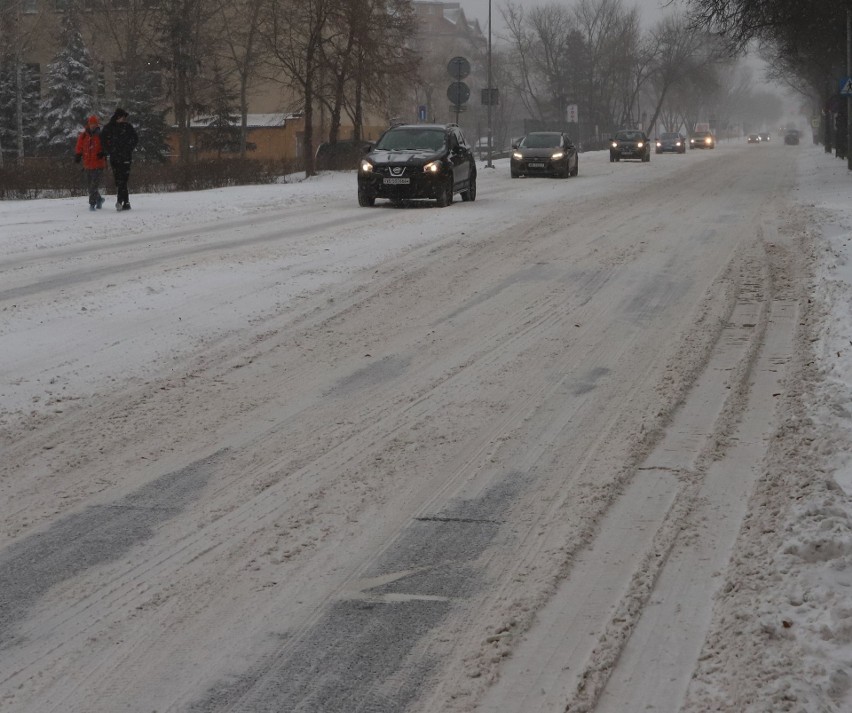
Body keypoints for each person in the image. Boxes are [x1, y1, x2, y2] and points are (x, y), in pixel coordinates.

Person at [101, 107, 138, 211]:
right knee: (119, 180)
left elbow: (135, 138)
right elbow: (103, 139)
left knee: (123, 179)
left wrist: (128, 148)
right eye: (123, 117)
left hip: (126, 157)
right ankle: (125, 202)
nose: (124, 119)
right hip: (115, 158)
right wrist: (109, 150)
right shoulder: (109, 127)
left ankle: (120, 201)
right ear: (118, 117)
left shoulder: (128, 127)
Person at [74, 115, 106, 211]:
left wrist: (103, 152)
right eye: (91, 124)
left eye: (94, 124)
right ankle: (99, 199)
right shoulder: (83, 135)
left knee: (93, 186)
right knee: (90, 186)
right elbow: (79, 146)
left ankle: (92, 204)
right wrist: (78, 155)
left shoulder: (100, 135)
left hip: (98, 164)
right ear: (89, 124)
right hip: (87, 164)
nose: (93, 125)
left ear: (97, 125)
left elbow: (106, 146)